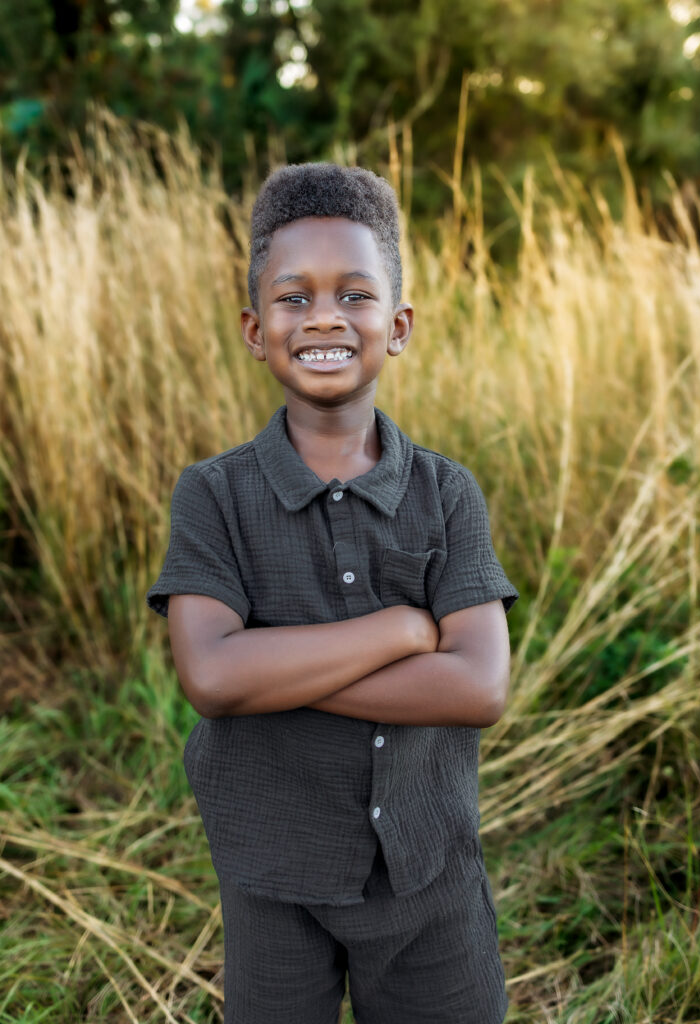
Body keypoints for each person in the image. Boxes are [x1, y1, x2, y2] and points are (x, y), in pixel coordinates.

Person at [147, 162, 518, 1024]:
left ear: (399, 325)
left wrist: (272, 669)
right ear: (255, 328)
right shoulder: (213, 494)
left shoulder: (447, 493)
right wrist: (401, 629)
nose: (323, 317)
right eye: (293, 297)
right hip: (271, 870)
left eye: (355, 295)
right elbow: (212, 678)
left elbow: (477, 687)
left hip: (430, 873)